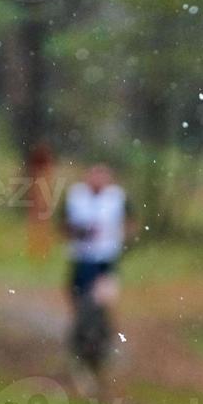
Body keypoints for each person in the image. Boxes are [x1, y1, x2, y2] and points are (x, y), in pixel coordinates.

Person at [62, 164, 127, 389]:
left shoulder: (116, 199)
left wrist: (119, 240)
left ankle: (100, 351)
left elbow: (130, 223)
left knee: (100, 309)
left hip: (105, 263)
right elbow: (64, 226)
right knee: (81, 309)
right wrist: (81, 232)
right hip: (82, 262)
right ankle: (83, 355)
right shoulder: (76, 197)